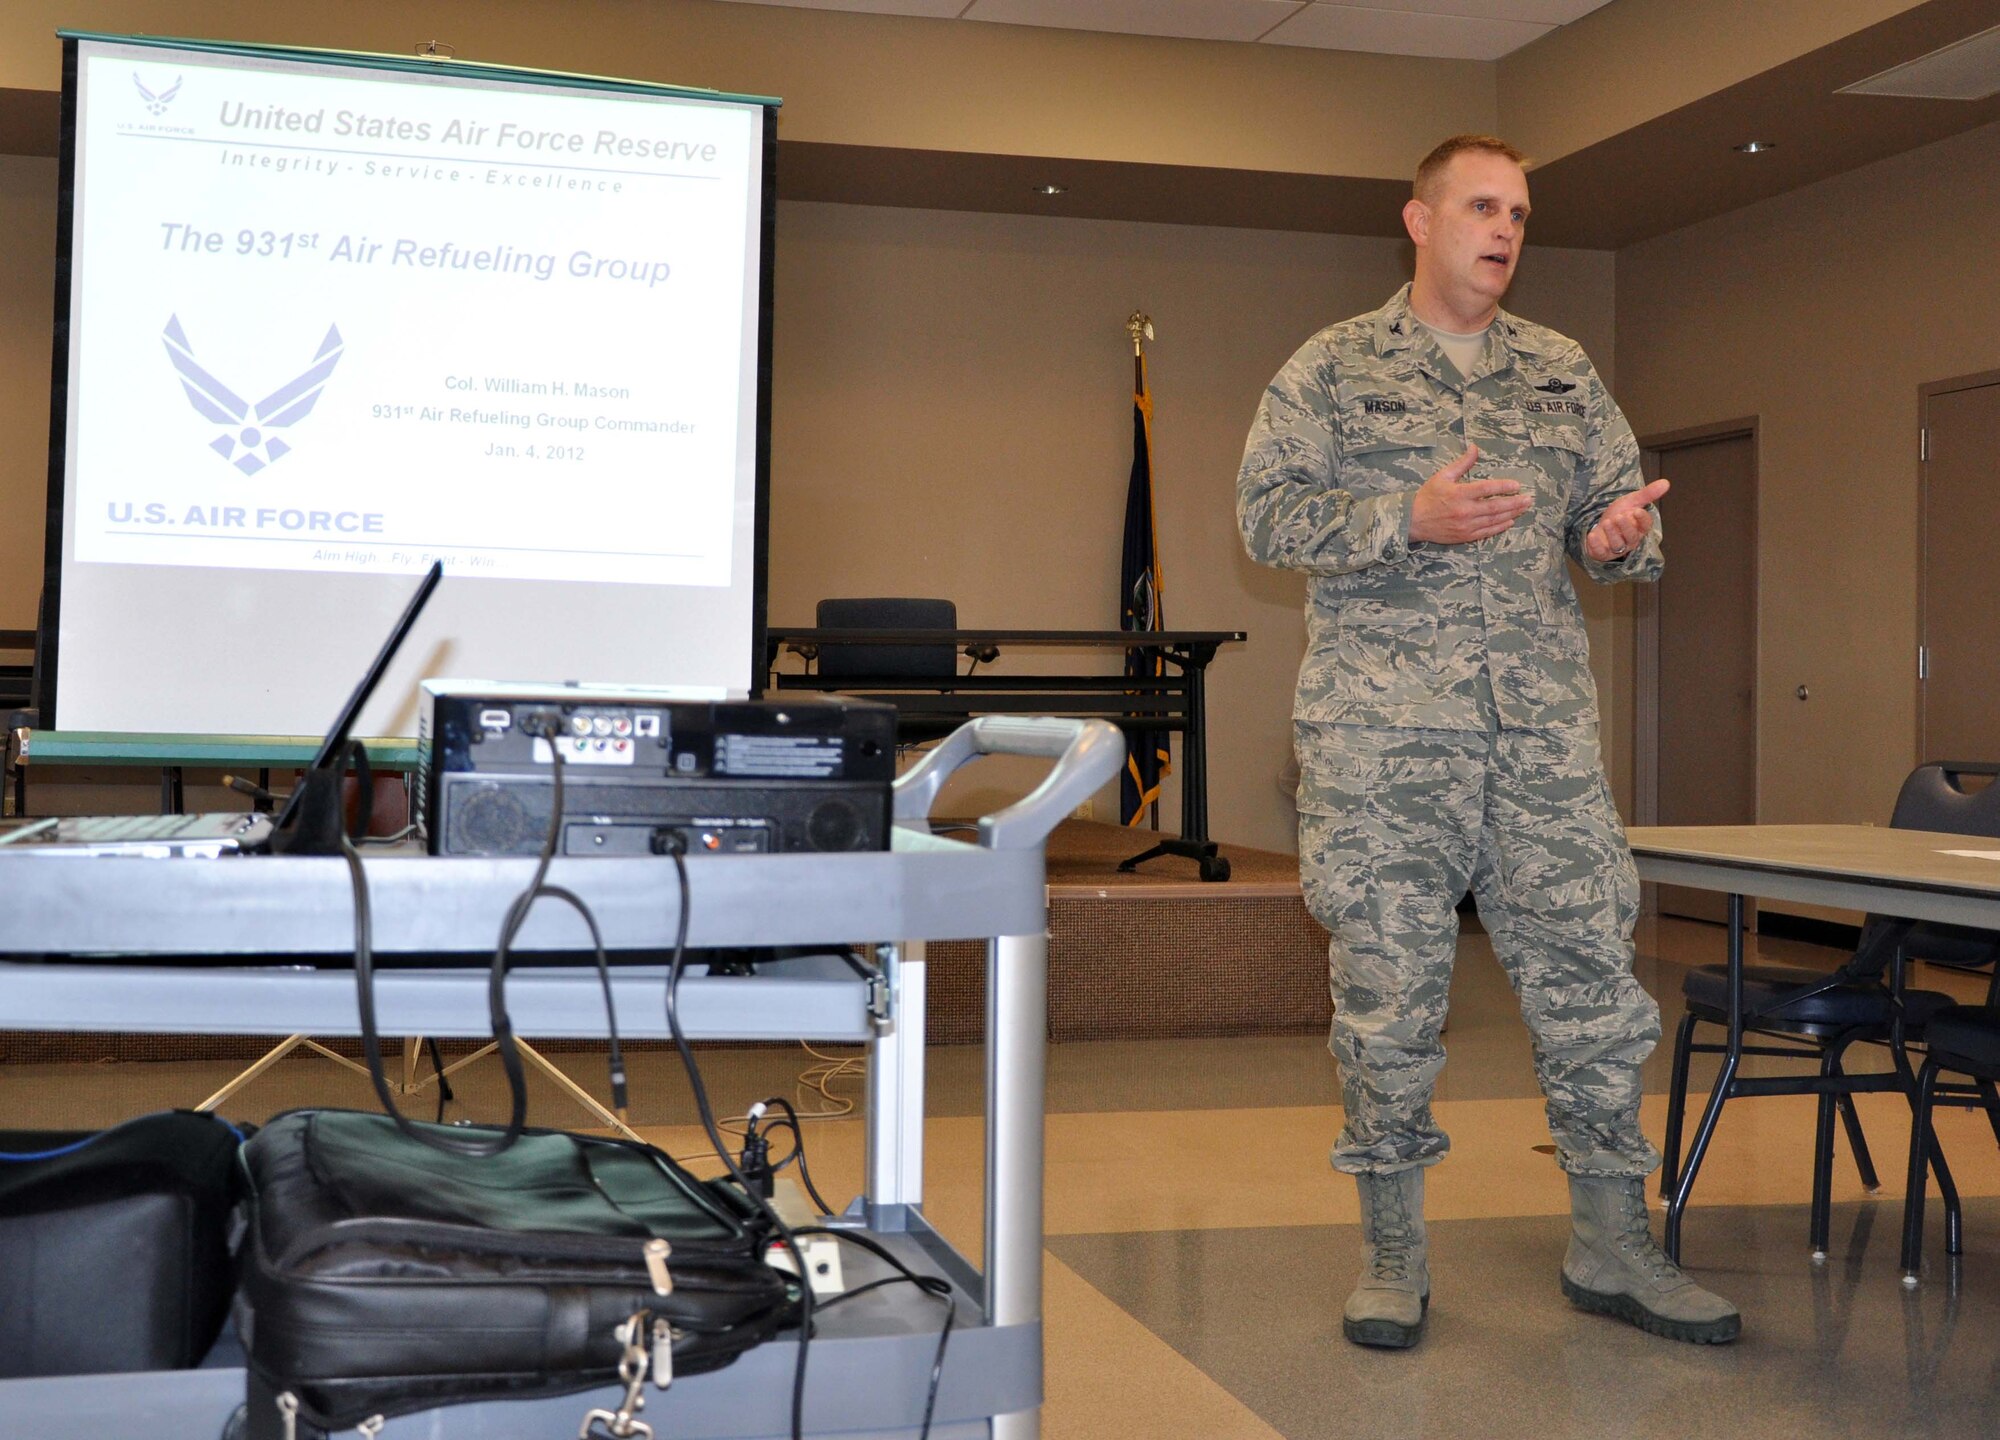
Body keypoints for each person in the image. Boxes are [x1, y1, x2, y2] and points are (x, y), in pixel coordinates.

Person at [1235, 134, 1739, 1350]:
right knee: (1388, 1002)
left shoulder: (1559, 370)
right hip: (1380, 746)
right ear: (1419, 222)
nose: (1503, 229)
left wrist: (1617, 539)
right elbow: (1264, 517)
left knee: (1591, 990)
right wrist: (1402, 515)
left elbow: (1615, 516)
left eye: (1516, 211)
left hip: (1539, 743)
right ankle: (1391, 1256)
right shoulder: (1332, 366)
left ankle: (1610, 1243)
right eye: (1479, 207)